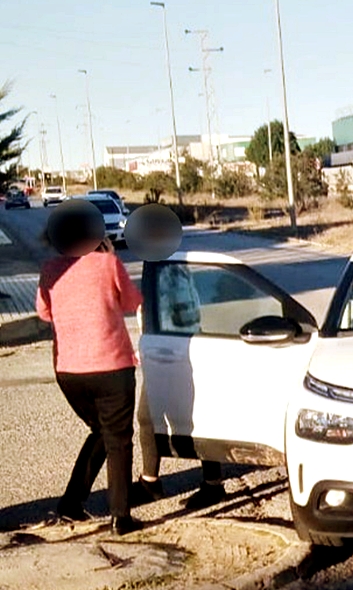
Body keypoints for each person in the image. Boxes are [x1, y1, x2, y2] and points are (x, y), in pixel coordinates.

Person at [36, 202, 144, 535]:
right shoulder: (108, 263)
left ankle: (71, 503)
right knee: (118, 440)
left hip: (68, 372)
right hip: (111, 367)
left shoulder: (51, 269)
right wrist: (110, 258)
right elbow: (132, 302)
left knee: (102, 431)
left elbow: (44, 313)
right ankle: (120, 517)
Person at [132, 263, 227, 510]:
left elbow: (177, 310)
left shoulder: (167, 268)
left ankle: (210, 484)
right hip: (168, 344)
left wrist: (153, 341)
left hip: (171, 348)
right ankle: (152, 480)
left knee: (156, 416)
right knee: (155, 417)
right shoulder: (166, 266)